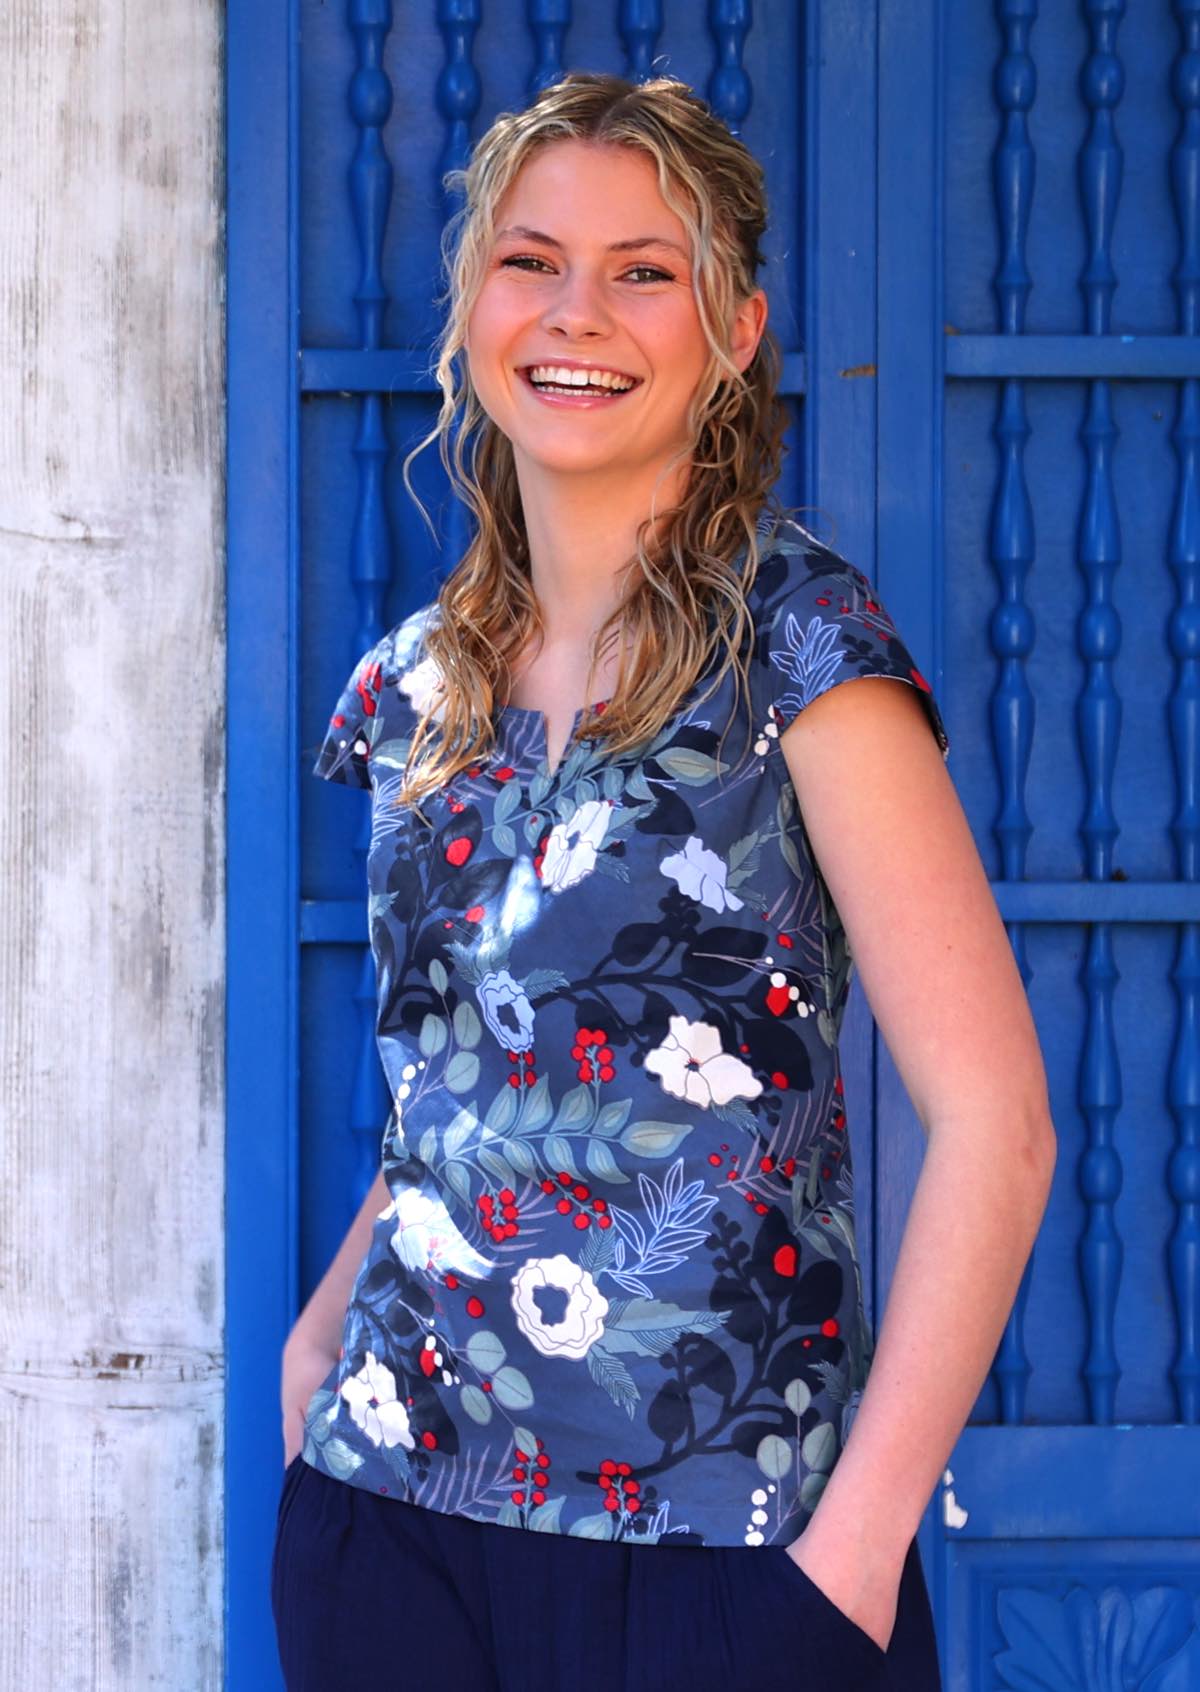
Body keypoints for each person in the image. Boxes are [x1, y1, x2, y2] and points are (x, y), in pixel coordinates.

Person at [272, 70, 1056, 1692]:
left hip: (721, 1566)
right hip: (393, 1521)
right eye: (530, 259)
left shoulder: (805, 657)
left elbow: (998, 1122)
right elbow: (462, 1071)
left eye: (646, 269)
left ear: (737, 329)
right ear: (472, 308)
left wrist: (849, 1559)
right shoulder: (421, 684)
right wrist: (315, 1346)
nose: (579, 313)